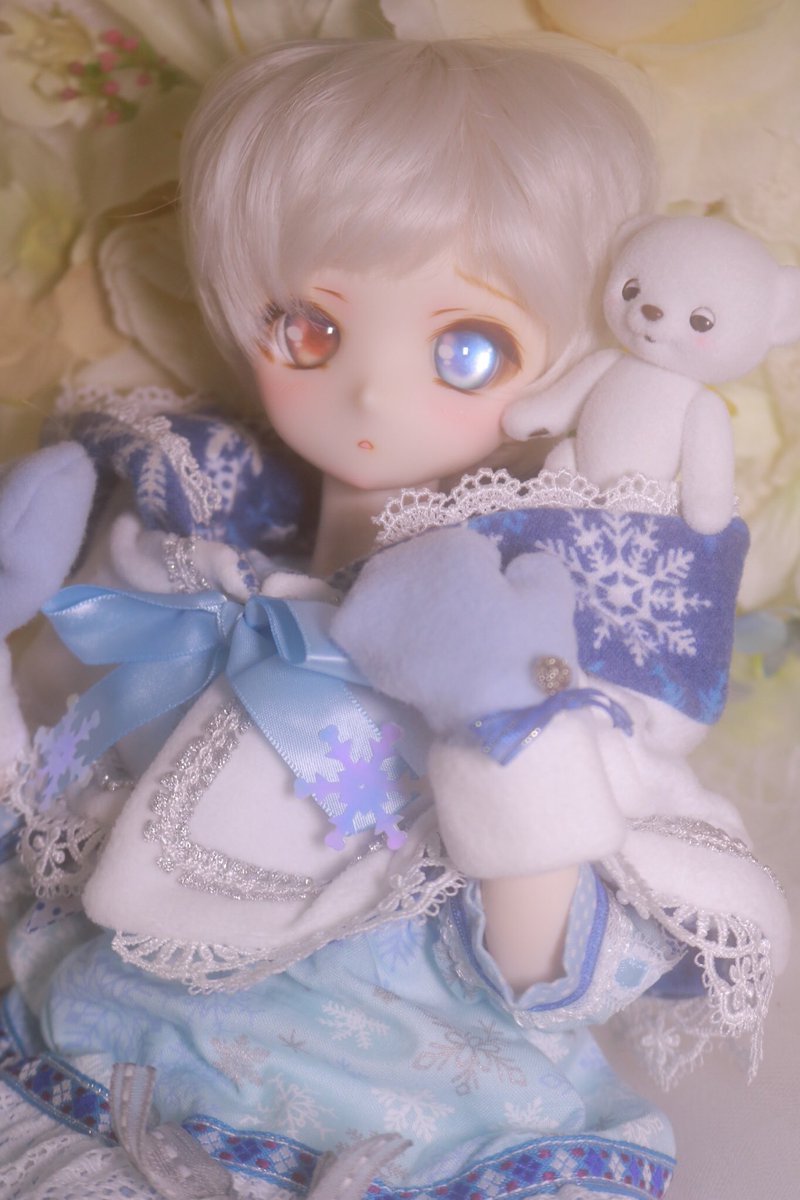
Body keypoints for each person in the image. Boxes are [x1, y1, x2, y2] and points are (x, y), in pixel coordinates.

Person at [0, 39, 787, 1200]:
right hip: (107, 1063)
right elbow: (44, 822)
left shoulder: (558, 630)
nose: (367, 390)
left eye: (466, 349)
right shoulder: (187, 572)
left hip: (425, 1114)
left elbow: (548, 976)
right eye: (307, 328)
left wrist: (504, 730)